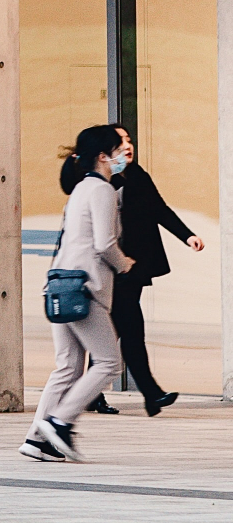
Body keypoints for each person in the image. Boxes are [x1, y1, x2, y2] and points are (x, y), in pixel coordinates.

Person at [24, 121, 130, 460]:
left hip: (60, 284)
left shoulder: (80, 190)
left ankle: (36, 438)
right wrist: (123, 262)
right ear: (103, 156)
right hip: (85, 287)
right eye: (118, 151)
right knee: (109, 363)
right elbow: (104, 242)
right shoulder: (101, 190)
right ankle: (60, 422)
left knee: (68, 367)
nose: (122, 157)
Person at [104, 127, 205, 416]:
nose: (127, 147)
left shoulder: (137, 176)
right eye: (120, 142)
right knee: (128, 328)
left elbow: (159, 209)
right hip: (110, 267)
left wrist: (187, 236)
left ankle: (98, 393)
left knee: (114, 329)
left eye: (129, 141)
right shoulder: (99, 182)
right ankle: (150, 393)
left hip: (131, 266)